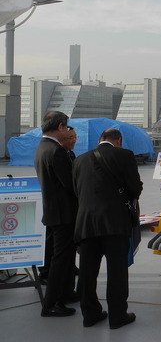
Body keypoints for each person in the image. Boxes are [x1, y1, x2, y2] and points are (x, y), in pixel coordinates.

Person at [73, 129, 143, 329]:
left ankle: (90, 315)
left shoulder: (80, 160)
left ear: (99, 140)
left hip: (86, 223)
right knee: (117, 271)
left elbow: (76, 190)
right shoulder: (124, 155)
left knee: (87, 272)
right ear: (118, 141)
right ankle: (117, 316)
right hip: (114, 223)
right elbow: (134, 188)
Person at [34, 111, 78, 317]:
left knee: (65, 257)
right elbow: (70, 184)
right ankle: (50, 303)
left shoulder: (41, 148)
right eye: (66, 128)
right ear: (60, 127)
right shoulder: (56, 151)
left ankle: (66, 294)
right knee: (60, 259)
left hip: (52, 211)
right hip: (63, 214)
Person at [39, 126, 79, 284]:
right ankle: (52, 281)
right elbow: (68, 183)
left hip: (57, 209)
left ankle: (67, 270)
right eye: (69, 137)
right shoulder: (57, 153)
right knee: (57, 249)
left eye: (75, 137)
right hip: (60, 210)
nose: (73, 140)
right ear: (61, 138)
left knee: (64, 249)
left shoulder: (70, 154)